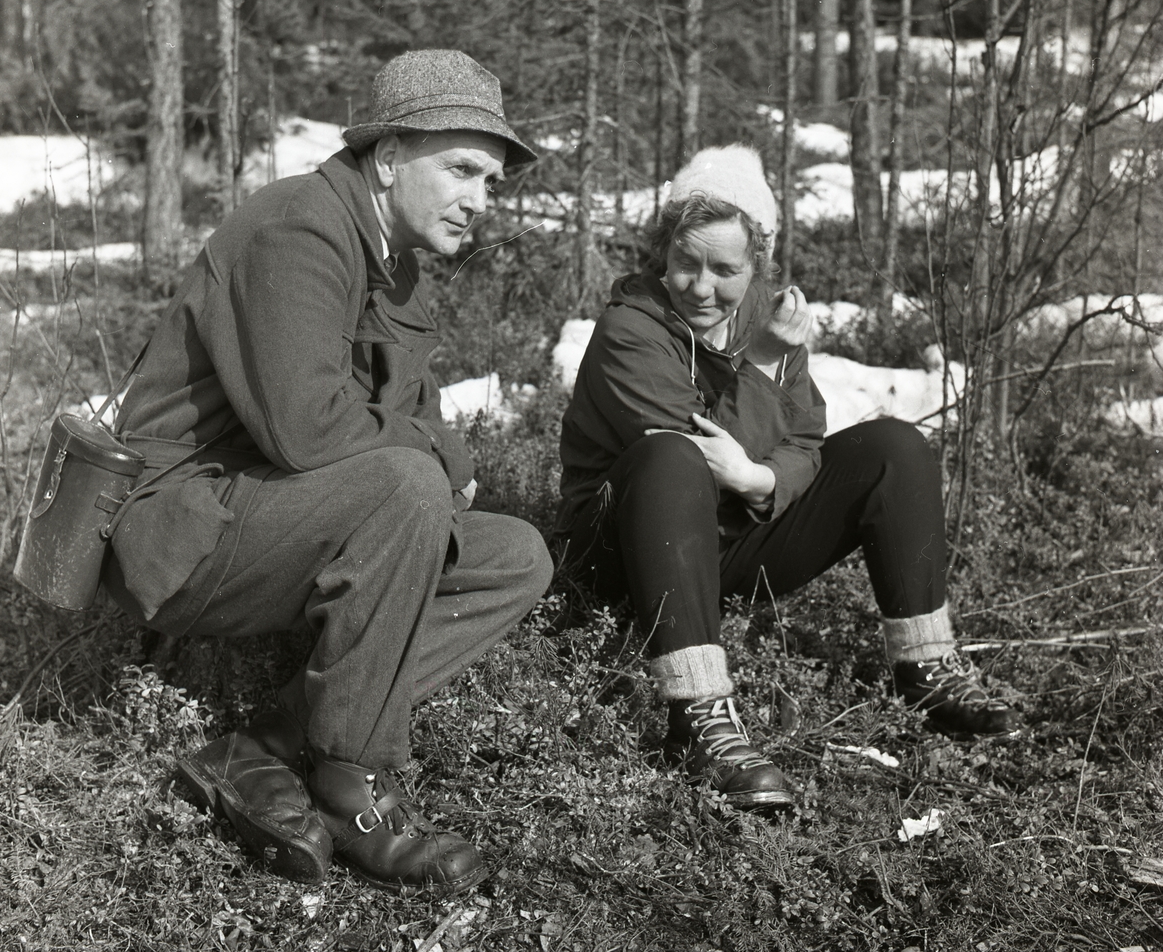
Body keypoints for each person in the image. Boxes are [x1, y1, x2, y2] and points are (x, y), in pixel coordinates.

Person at [103, 49, 553, 890]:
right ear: (387, 157)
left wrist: (428, 456)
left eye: (490, 182)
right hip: (185, 531)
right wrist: (437, 459)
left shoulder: (398, 259)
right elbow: (306, 432)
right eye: (460, 169)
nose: (478, 202)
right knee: (408, 485)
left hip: (274, 513)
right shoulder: (299, 228)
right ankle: (355, 784)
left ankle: (266, 746)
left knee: (513, 557)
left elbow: (404, 417)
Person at [557, 144, 1019, 812]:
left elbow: (805, 436)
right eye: (685, 263)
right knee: (669, 456)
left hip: (727, 538)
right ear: (662, 253)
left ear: (758, 265)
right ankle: (698, 716)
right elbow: (691, 460)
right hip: (624, 555)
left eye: (725, 269)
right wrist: (764, 370)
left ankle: (925, 668)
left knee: (893, 445)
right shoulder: (629, 327)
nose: (701, 286)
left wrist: (763, 481)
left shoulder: (765, 318)